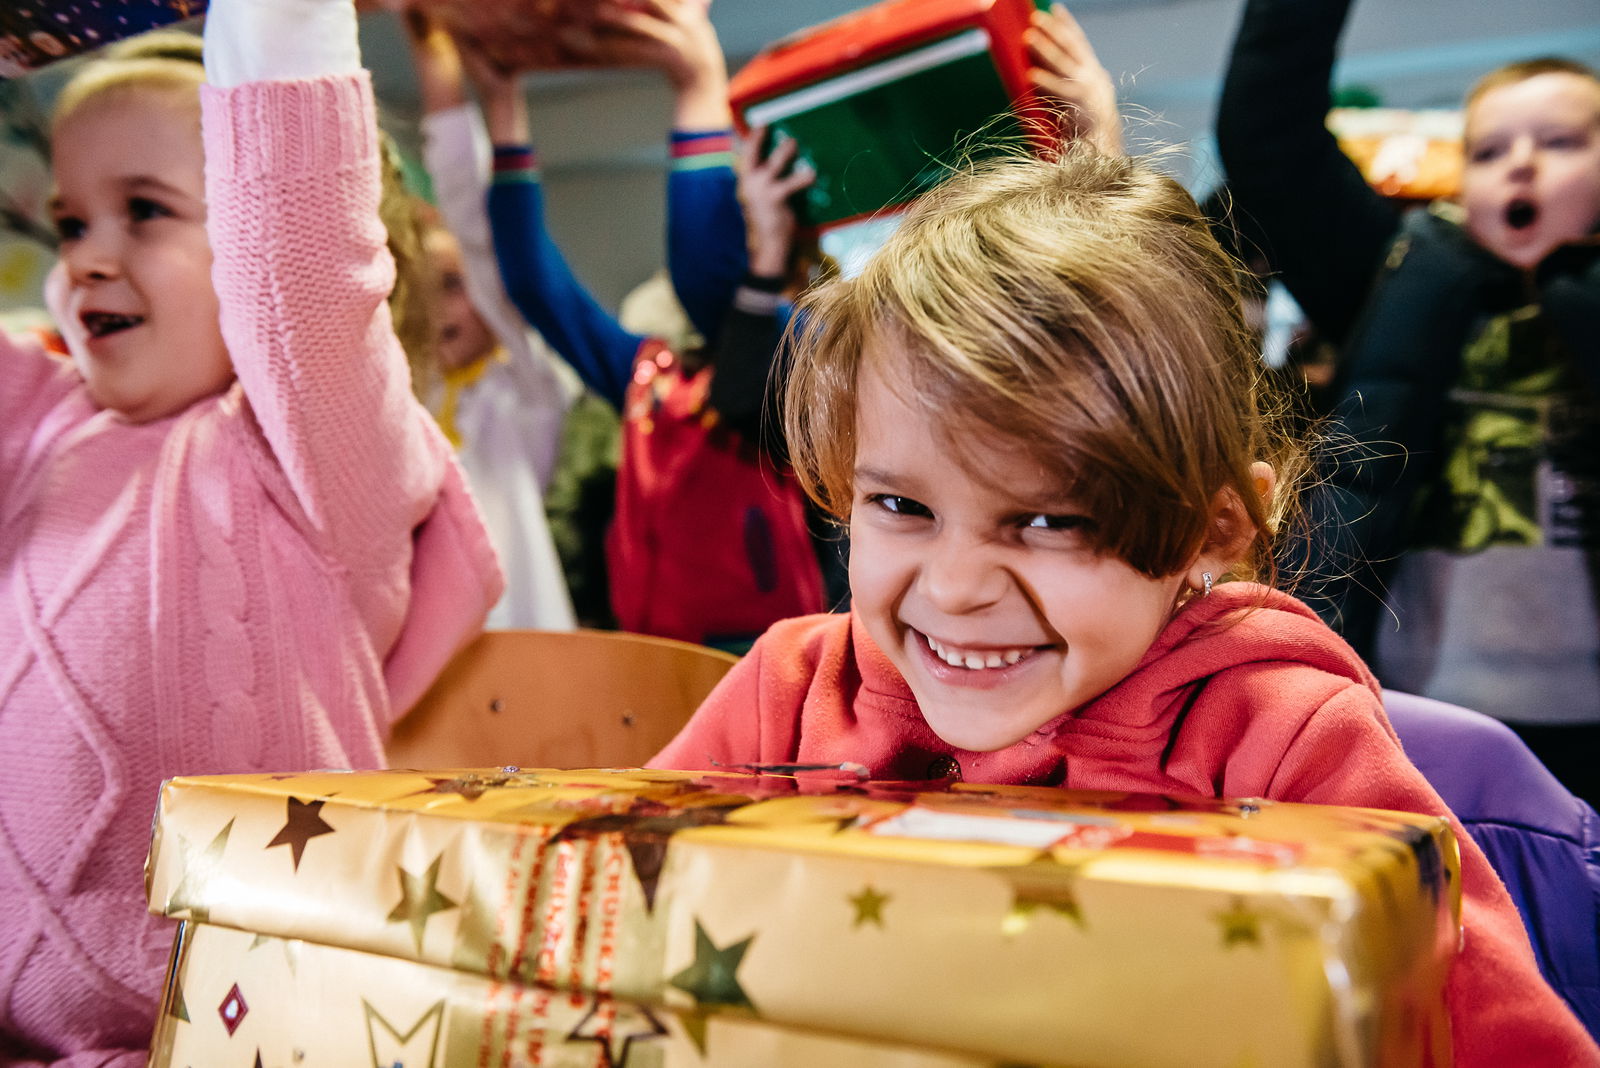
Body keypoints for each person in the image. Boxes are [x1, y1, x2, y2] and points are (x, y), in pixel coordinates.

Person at [649, 147, 1597, 1062]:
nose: (954, 587)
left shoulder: (1288, 741)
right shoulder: (789, 688)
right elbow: (604, 932)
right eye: (901, 505)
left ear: (1214, 530)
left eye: (1050, 521)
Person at [0, 0, 502, 1060]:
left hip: (259, 1039)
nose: (88, 258)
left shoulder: (314, 458)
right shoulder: (40, 425)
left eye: (145, 210)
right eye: (70, 224)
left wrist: (277, 20)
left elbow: (303, 269)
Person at [1216, 0, 1600, 802]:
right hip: (1419, 717)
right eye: (1490, 150)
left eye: (1562, 142)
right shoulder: (1398, 283)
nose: (1521, 164)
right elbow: (1269, 138)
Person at [482, 0, 824, 649]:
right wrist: (503, 108)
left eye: (757, 234)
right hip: (653, 649)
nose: (742, 255)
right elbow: (534, 283)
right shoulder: (650, 378)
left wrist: (698, 86)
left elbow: (713, 301)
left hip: (775, 654)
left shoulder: (813, 363)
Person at [404, 8, 594, 631]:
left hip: (526, 651)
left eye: (454, 286)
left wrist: (439, 72)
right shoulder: (409, 402)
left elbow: (479, 236)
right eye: (421, 291)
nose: (437, 310)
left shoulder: (525, 389)